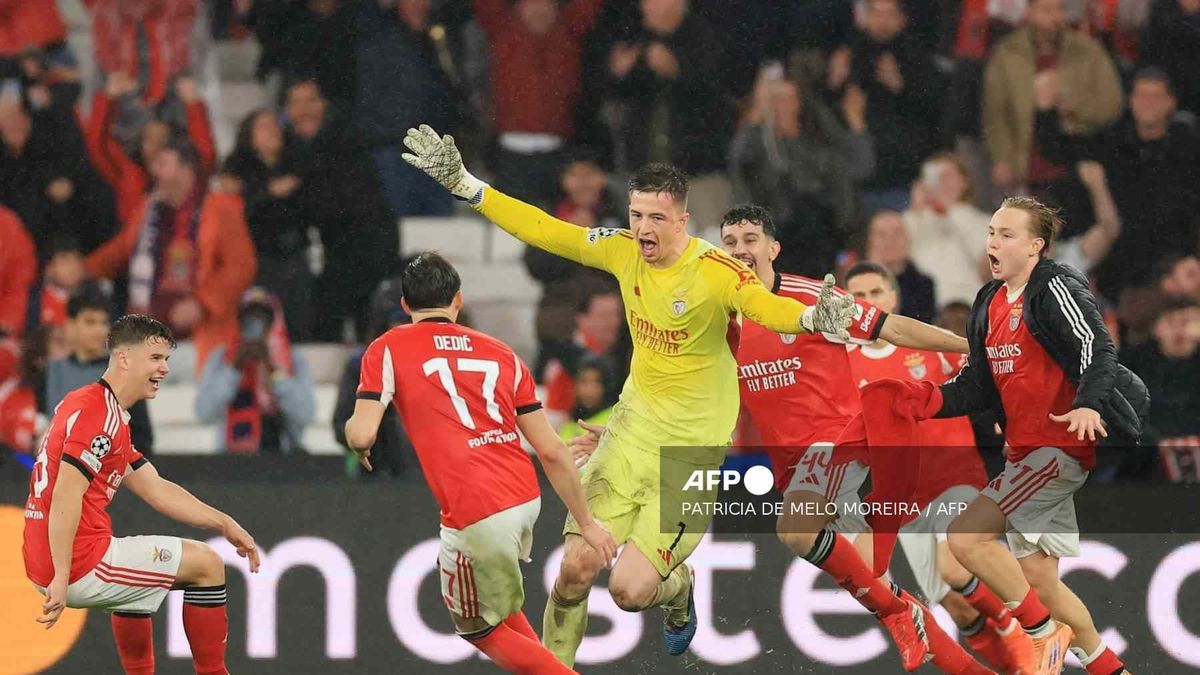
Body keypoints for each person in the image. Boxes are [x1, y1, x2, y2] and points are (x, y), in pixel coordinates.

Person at [401, 125, 856, 665]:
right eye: (637, 215)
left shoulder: (716, 272)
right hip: (629, 436)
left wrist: (809, 318)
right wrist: (468, 186)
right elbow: (545, 230)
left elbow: (765, 307)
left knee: (629, 591)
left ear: (682, 220)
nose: (643, 229)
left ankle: (679, 588)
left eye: (657, 218)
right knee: (574, 570)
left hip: (690, 457)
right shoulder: (622, 251)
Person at [715, 205, 1003, 673]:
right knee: (876, 584)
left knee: (794, 529)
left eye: (751, 239)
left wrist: (971, 345)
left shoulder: (814, 299)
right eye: (730, 241)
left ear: (773, 248)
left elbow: (895, 327)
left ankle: (968, 619)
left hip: (838, 443)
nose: (740, 250)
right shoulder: (721, 317)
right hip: (794, 465)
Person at [343, 252, 617, 674]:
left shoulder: (388, 347)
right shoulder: (502, 353)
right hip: (523, 495)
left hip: (475, 507)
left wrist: (357, 439)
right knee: (499, 608)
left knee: (476, 627)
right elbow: (551, 449)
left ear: (405, 304)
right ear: (458, 300)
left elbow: (362, 434)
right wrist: (587, 522)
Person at [937, 197, 1147, 675]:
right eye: (991, 232)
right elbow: (977, 383)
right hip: (1024, 454)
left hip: (1056, 451)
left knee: (965, 537)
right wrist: (924, 403)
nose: (993, 242)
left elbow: (1096, 344)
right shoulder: (988, 301)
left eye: (1006, 234)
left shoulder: (1054, 285)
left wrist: (1089, 402)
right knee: (1041, 582)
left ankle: (1040, 631)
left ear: (1036, 246)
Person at [22, 314, 261, 675]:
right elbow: (65, 497)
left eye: (166, 358)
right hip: (75, 562)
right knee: (207, 564)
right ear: (124, 358)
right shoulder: (101, 418)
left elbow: (156, 488)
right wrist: (61, 575)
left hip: (47, 557)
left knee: (136, 586)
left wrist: (224, 523)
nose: (165, 368)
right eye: (155, 358)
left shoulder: (92, 406)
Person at [844, 261, 1030, 672]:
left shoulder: (926, 342)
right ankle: (1013, 668)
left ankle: (1020, 632)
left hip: (955, 477)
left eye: (876, 293)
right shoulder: (843, 365)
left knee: (954, 566)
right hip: (906, 501)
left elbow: (987, 372)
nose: (869, 302)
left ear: (893, 297)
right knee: (957, 607)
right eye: (859, 296)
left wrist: (1008, 415)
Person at [85, 141, 257, 375]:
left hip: (203, 337)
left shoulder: (220, 209)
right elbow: (122, 249)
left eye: (163, 164)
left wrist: (202, 304)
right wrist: (85, 269)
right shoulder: (149, 207)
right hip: (149, 334)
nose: (154, 171)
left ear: (187, 170)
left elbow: (241, 267)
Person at [729, 68, 875, 277]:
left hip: (824, 237)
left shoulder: (819, 141)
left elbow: (859, 168)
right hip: (780, 239)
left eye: (789, 99)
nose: (783, 106)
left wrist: (856, 122)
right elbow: (738, 163)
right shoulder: (759, 146)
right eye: (776, 99)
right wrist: (757, 113)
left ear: (800, 102)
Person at [195, 288, 315, 453]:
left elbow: (305, 415)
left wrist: (273, 372)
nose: (255, 325)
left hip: (281, 455)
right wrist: (234, 369)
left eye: (263, 318)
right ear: (238, 322)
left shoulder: (293, 359)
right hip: (231, 456)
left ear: (273, 323)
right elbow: (204, 414)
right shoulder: (221, 358)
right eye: (248, 318)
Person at [45, 289, 154, 454]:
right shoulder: (51, 372)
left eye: (104, 323)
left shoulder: (126, 375)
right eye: (90, 322)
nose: (99, 330)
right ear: (70, 326)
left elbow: (142, 440)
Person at [904, 153, 991, 307]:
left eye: (947, 176)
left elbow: (987, 271)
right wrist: (915, 212)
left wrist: (948, 212)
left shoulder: (985, 222)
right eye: (934, 177)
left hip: (969, 303)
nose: (940, 183)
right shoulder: (910, 220)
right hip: (927, 305)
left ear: (964, 182)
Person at [865, 209, 937, 323]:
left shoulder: (924, 285)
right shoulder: (854, 280)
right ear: (869, 241)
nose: (890, 240)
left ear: (908, 239)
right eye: (881, 234)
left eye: (897, 233)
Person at [558, 354, 619, 441]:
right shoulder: (569, 421)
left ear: (606, 386)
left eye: (596, 382)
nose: (589, 390)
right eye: (584, 381)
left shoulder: (615, 419)